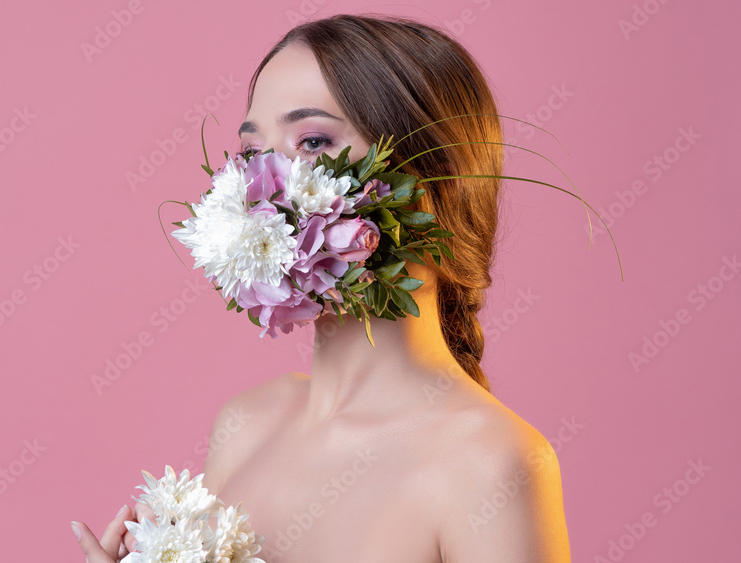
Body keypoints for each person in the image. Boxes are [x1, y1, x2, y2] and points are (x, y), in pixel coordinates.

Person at [73, 13, 571, 562]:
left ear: (431, 179)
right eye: (250, 153)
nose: (259, 185)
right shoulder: (246, 425)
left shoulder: (493, 463)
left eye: (310, 141)